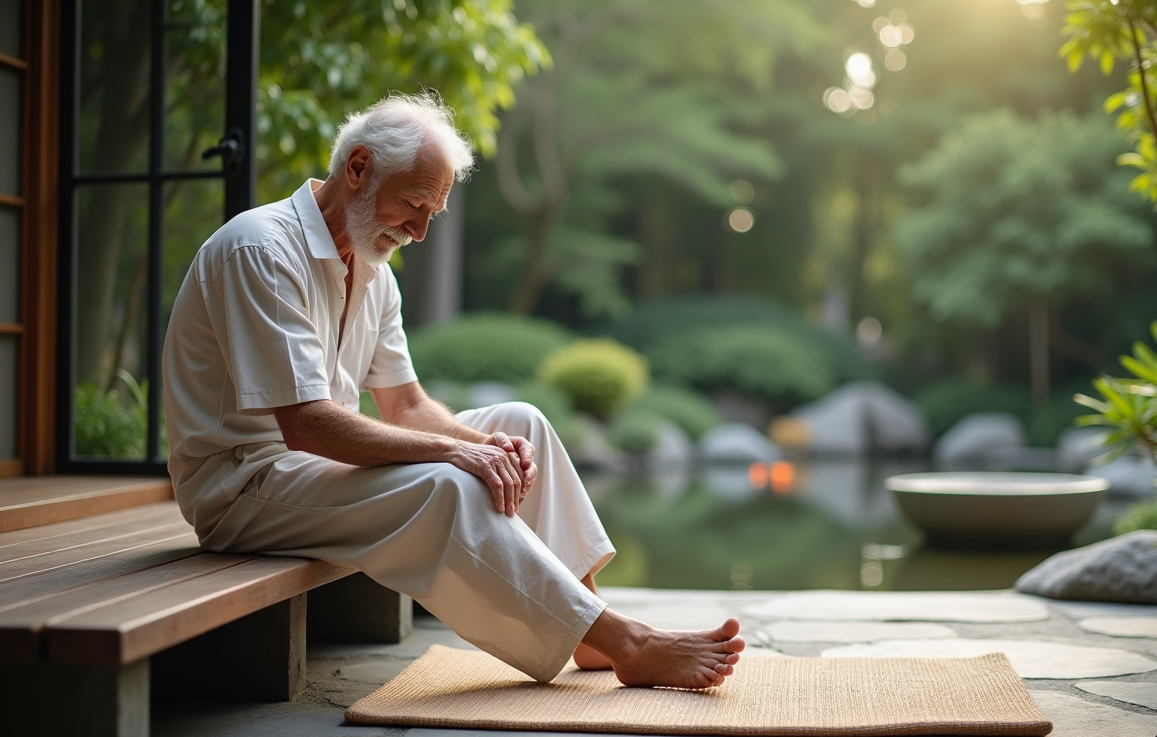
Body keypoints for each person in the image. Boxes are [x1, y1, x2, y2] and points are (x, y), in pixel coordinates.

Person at [163, 93, 743, 688]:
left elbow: (407, 405)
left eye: (431, 214)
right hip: (245, 485)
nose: (417, 232)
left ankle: (588, 623)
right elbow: (305, 424)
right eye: (413, 205)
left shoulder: (374, 269)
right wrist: (457, 453)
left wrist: (483, 445)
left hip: (313, 472)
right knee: (447, 481)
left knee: (520, 424)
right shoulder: (260, 249)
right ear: (357, 168)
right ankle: (627, 642)